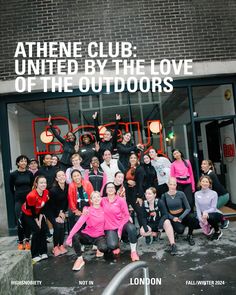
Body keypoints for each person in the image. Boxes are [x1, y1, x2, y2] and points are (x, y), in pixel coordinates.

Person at [66, 191, 108, 271]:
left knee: (104, 248)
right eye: (94, 197)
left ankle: (99, 248)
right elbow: (78, 224)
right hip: (87, 236)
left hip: (99, 236)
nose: (96, 199)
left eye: (98, 197)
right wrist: (69, 237)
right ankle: (80, 259)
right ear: (91, 200)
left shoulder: (104, 210)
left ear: (101, 198)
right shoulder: (87, 210)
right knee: (76, 236)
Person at [101, 182, 139, 262]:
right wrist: (85, 209)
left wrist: (120, 230)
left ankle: (133, 251)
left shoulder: (121, 200)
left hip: (122, 223)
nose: (110, 189)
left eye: (112, 187)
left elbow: (126, 215)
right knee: (112, 245)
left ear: (115, 190)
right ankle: (117, 244)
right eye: (108, 187)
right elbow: (94, 206)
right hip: (110, 227)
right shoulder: (102, 200)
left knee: (132, 228)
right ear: (106, 190)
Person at [162, 177, 199, 246]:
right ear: (168, 184)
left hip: (182, 215)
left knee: (192, 216)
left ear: (176, 185)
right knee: (180, 230)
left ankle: (189, 235)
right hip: (173, 217)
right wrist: (173, 218)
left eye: (174, 184)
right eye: (171, 184)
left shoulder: (181, 193)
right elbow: (164, 211)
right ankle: (174, 230)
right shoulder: (164, 196)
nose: (172, 186)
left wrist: (181, 217)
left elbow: (188, 208)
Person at [140, 187, 177, 255]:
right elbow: (143, 217)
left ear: (154, 195)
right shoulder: (144, 203)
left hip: (160, 222)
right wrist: (145, 227)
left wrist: (160, 224)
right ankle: (155, 234)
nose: (147, 195)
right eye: (146, 194)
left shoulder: (159, 202)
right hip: (151, 224)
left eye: (149, 194)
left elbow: (165, 215)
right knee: (142, 231)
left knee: (167, 222)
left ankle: (173, 244)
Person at [21, 176, 49, 263]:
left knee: (44, 229)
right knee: (37, 230)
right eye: (41, 183)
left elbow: (43, 208)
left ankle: (43, 251)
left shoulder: (46, 192)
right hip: (28, 214)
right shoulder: (31, 195)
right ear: (36, 184)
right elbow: (32, 211)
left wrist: (40, 221)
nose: (43, 184)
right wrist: (37, 222)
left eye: (45, 182)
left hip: (39, 213)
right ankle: (34, 254)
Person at [9, 155, 34, 250]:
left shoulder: (29, 173)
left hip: (28, 201)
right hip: (19, 200)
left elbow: (32, 186)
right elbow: (11, 188)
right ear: (18, 163)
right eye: (21, 161)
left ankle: (27, 241)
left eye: (25, 161)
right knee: (20, 221)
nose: (24, 163)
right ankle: (20, 241)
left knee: (28, 221)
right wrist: (17, 195)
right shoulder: (13, 174)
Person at [195, 176, 224, 240]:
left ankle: (217, 231)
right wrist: (200, 219)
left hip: (215, 214)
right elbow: (198, 208)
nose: (205, 183)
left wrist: (205, 212)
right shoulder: (196, 194)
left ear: (209, 184)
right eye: (203, 181)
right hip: (204, 215)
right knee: (195, 221)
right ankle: (210, 226)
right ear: (200, 183)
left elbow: (213, 208)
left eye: (206, 182)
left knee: (209, 216)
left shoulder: (214, 193)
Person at [48, 170, 69, 256]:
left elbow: (67, 201)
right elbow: (51, 205)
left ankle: (61, 245)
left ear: (65, 176)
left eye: (63, 175)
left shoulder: (68, 187)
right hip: (52, 211)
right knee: (57, 226)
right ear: (56, 178)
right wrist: (58, 214)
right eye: (59, 176)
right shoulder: (53, 190)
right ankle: (55, 247)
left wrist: (63, 212)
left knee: (62, 227)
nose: (61, 177)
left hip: (62, 211)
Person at [125, 153, 145, 227]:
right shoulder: (127, 168)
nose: (132, 159)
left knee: (140, 213)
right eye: (131, 158)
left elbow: (141, 183)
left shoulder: (140, 169)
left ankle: (145, 232)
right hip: (128, 194)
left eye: (134, 158)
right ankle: (132, 232)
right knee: (128, 214)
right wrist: (127, 181)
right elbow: (123, 180)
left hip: (136, 194)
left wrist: (140, 196)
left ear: (137, 160)